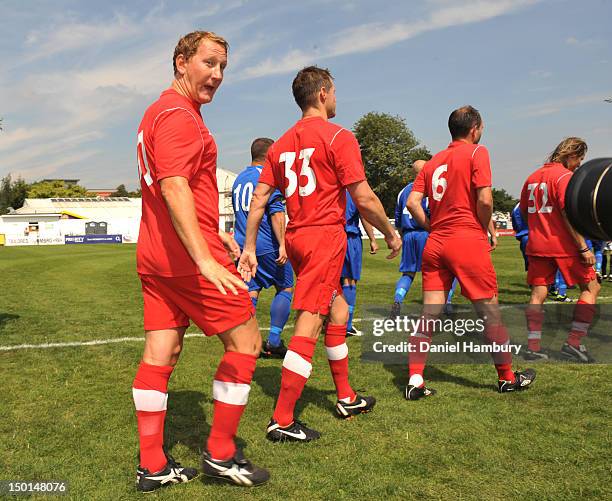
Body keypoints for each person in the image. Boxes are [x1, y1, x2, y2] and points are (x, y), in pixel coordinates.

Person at [133, 31, 269, 491]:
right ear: (181, 62)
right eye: (209, 63)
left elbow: (183, 189)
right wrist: (205, 258)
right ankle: (221, 452)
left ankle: (151, 463)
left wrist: (217, 234)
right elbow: (173, 187)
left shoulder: (159, 111)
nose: (216, 75)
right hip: (187, 261)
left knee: (162, 352)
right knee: (247, 342)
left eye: (223, 67)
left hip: (157, 257)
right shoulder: (178, 116)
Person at [239, 66, 401, 441]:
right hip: (323, 238)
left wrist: (249, 245)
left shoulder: (278, 145)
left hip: (297, 237)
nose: (336, 98)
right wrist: (390, 232)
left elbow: (260, 199)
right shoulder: (339, 136)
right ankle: (281, 419)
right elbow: (363, 196)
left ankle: (345, 397)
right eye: (335, 91)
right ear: (324, 92)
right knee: (310, 321)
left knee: (339, 309)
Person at [406, 105, 536, 400]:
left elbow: (413, 203)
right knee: (490, 312)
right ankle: (506, 377)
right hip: (465, 239)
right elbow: (486, 199)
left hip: (436, 243)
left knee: (429, 313)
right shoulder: (478, 152)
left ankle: (415, 379)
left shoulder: (433, 161)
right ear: (475, 128)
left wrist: (433, 227)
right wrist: (482, 227)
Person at [520, 137, 600, 362]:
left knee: (537, 294)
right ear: (570, 155)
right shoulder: (565, 177)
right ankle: (574, 343)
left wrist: (539, 228)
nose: (579, 164)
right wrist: (583, 247)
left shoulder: (532, 177)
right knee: (590, 287)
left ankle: (533, 347)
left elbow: (524, 213)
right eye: (579, 158)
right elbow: (567, 214)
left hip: (537, 244)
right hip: (564, 245)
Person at [232, 138, 294, 358]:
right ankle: (274, 341)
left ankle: (249, 343)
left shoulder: (238, 179)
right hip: (267, 244)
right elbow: (277, 212)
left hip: (243, 246)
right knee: (285, 287)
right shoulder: (266, 177)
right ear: (269, 156)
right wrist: (283, 244)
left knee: (251, 291)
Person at [342, 190, 379, 337]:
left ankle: (330, 320)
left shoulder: (327, 184)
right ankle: (347, 325)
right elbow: (364, 214)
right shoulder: (353, 189)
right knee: (349, 280)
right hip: (349, 236)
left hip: (329, 236)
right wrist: (372, 239)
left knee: (332, 282)